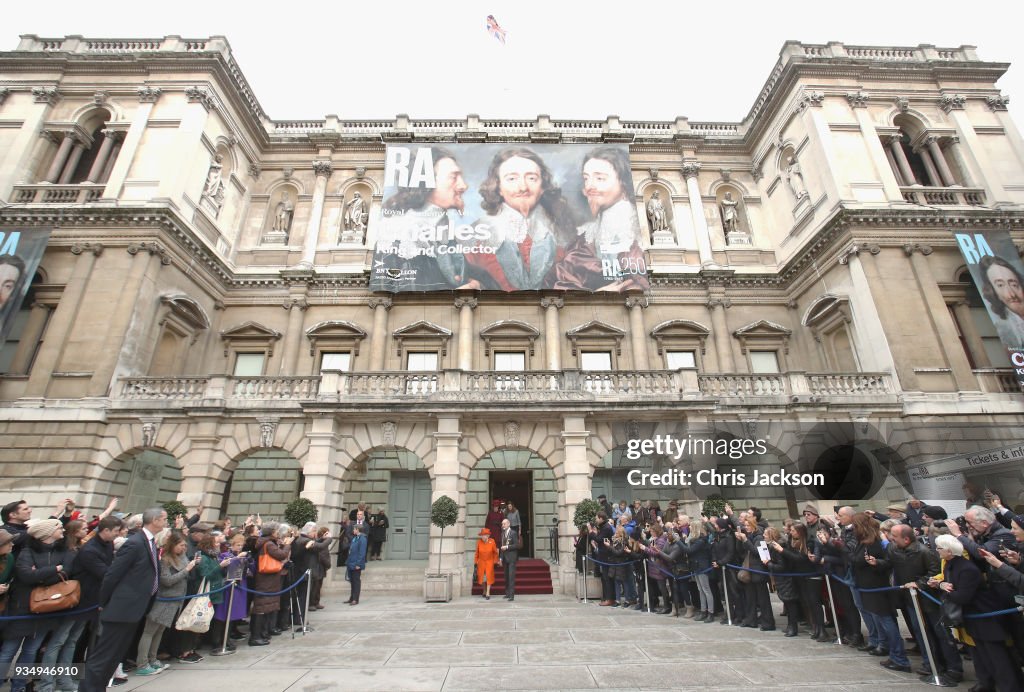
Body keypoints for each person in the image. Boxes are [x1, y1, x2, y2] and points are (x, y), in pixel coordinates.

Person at [460, 147, 578, 291]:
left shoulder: (563, 233)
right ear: (498, 187)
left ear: (543, 187)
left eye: (531, 178)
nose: (523, 187)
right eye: (512, 179)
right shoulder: (474, 235)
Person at [79, 507, 167, 692]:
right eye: (165, 519)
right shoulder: (135, 543)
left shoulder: (149, 542)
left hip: (134, 609)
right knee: (104, 656)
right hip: (121, 609)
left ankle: (98, 687)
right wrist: (104, 603)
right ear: (156, 520)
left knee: (114, 656)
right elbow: (112, 575)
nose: (167, 522)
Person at [934, 533, 1024, 691]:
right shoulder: (950, 564)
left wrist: (945, 590)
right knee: (984, 655)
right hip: (974, 617)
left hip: (986, 617)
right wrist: (942, 585)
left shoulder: (966, 568)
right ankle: (990, 683)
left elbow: (962, 596)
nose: (937, 550)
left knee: (998, 658)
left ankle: (1010, 687)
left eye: (939, 548)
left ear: (949, 551)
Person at [374, 146, 472, 290]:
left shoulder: (445, 232)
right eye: (453, 177)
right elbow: (387, 287)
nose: (463, 186)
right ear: (426, 182)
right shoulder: (398, 232)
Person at [555, 146, 648, 292]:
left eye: (600, 178)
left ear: (623, 182)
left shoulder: (642, 230)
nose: (589, 186)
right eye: (586, 178)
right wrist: (596, 295)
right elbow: (563, 285)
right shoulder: (582, 238)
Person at [0, 519, 74, 692]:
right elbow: (25, 575)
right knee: (9, 650)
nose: (63, 530)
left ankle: (18, 687)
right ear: (47, 532)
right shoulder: (27, 551)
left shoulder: (63, 551)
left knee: (30, 651)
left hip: (47, 608)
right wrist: (54, 569)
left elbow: (66, 572)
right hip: (22, 608)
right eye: (58, 527)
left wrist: (40, 573)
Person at [849, 513, 911, 673]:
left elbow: (861, 561)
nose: (852, 529)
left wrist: (850, 556)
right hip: (868, 587)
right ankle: (893, 653)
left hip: (876, 588)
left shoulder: (874, 543)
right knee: (882, 621)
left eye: (854, 526)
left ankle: (899, 657)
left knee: (887, 622)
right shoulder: (864, 542)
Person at [136, 531, 197, 674]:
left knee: (160, 631)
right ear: (173, 544)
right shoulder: (165, 559)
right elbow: (167, 581)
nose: (184, 548)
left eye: (185, 546)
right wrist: (186, 570)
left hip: (176, 599)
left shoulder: (182, 557)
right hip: (164, 599)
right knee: (149, 631)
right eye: (181, 545)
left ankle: (153, 659)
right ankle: (142, 663)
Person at [250, 523, 292, 644]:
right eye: (276, 530)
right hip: (266, 579)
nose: (278, 532)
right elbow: (281, 555)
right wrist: (287, 545)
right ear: (272, 532)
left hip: (269, 579)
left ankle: (263, 633)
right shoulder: (268, 544)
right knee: (262, 607)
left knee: (266, 606)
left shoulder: (266, 542)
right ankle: (256, 636)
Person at [979, 254, 1024, 347]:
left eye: (1014, 285)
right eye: (1000, 285)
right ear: (993, 292)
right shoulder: (1004, 329)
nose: (1012, 294)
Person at [474, 528, 499, 599]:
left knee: (488, 577)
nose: (483, 537)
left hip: (489, 562)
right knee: (482, 578)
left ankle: (488, 592)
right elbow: (477, 553)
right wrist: (475, 562)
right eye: (482, 535)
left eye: (484, 535)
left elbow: (495, 553)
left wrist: (495, 561)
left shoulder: (492, 541)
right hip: (481, 563)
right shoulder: (479, 542)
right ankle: (484, 590)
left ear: (488, 535)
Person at [345, 523, 367, 606]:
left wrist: (358, 564)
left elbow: (362, 553)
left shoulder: (362, 539)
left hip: (356, 563)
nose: (353, 530)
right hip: (351, 562)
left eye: (354, 529)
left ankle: (355, 599)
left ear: (358, 530)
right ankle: (351, 598)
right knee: (352, 581)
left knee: (356, 581)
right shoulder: (355, 538)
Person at [499, 518, 518, 600]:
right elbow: (501, 547)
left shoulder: (513, 533)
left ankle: (511, 595)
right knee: (506, 577)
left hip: (512, 558)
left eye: (504, 524)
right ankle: (507, 593)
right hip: (505, 558)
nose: (503, 525)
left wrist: (507, 547)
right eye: (502, 524)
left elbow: (516, 545)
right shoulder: (502, 534)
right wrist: (500, 558)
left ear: (508, 524)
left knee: (511, 577)